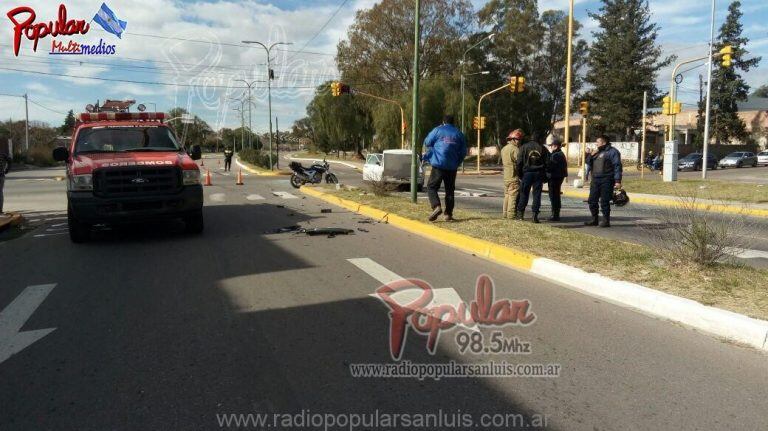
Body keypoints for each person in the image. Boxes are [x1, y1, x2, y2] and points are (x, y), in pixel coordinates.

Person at [423, 115, 468, 222]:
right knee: (450, 191)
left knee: (431, 187)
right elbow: (463, 152)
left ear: (443, 122)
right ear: (453, 123)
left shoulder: (438, 130)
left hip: (438, 164)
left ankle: (436, 206)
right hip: (452, 166)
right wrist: (457, 162)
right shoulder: (459, 134)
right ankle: (448, 214)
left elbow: (427, 142)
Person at [585, 135, 623, 227]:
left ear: (604, 142)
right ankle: (594, 219)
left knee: (604, 201)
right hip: (595, 180)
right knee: (592, 200)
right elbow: (589, 163)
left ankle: (606, 220)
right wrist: (589, 154)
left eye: (598, 142)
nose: (596, 144)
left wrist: (617, 180)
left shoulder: (613, 152)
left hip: (607, 180)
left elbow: (617, 166)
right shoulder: (597, 152)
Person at [515, 132, 549, 223]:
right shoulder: (543, 148)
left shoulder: (524, 147)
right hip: (538, 173)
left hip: (527, 173)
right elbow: (547, 163)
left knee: (524, 194)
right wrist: (545, 176)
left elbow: (519, 163)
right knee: (537, 195)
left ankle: (520, 214)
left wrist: (520, 174)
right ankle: (535, 215)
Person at [501, 129, 523, 219]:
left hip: (506, 176)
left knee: (506, 196)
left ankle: (505, 214)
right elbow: (519, 162)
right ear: (513, 139)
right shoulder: (515, 149)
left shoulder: (504, 149)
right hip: (513, 176)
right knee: (513, 196)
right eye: (518, 140)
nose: (519, 142)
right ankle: (511, 216)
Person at [546, 139, 568, 221]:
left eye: (551, 146)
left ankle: (555, 214)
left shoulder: (556, 155)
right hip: (557, 177)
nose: (551, 147)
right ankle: (555, 213)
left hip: (554, 177)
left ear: (555, 146)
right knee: (555, 195)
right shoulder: (558, 154)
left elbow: (551, 166)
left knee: (554, 196)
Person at [0, 145, 10, 215]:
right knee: (0, 192)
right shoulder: (2, 154)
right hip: (1, 175)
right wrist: (7, 169)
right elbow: (10, 160)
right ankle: (0, 210)